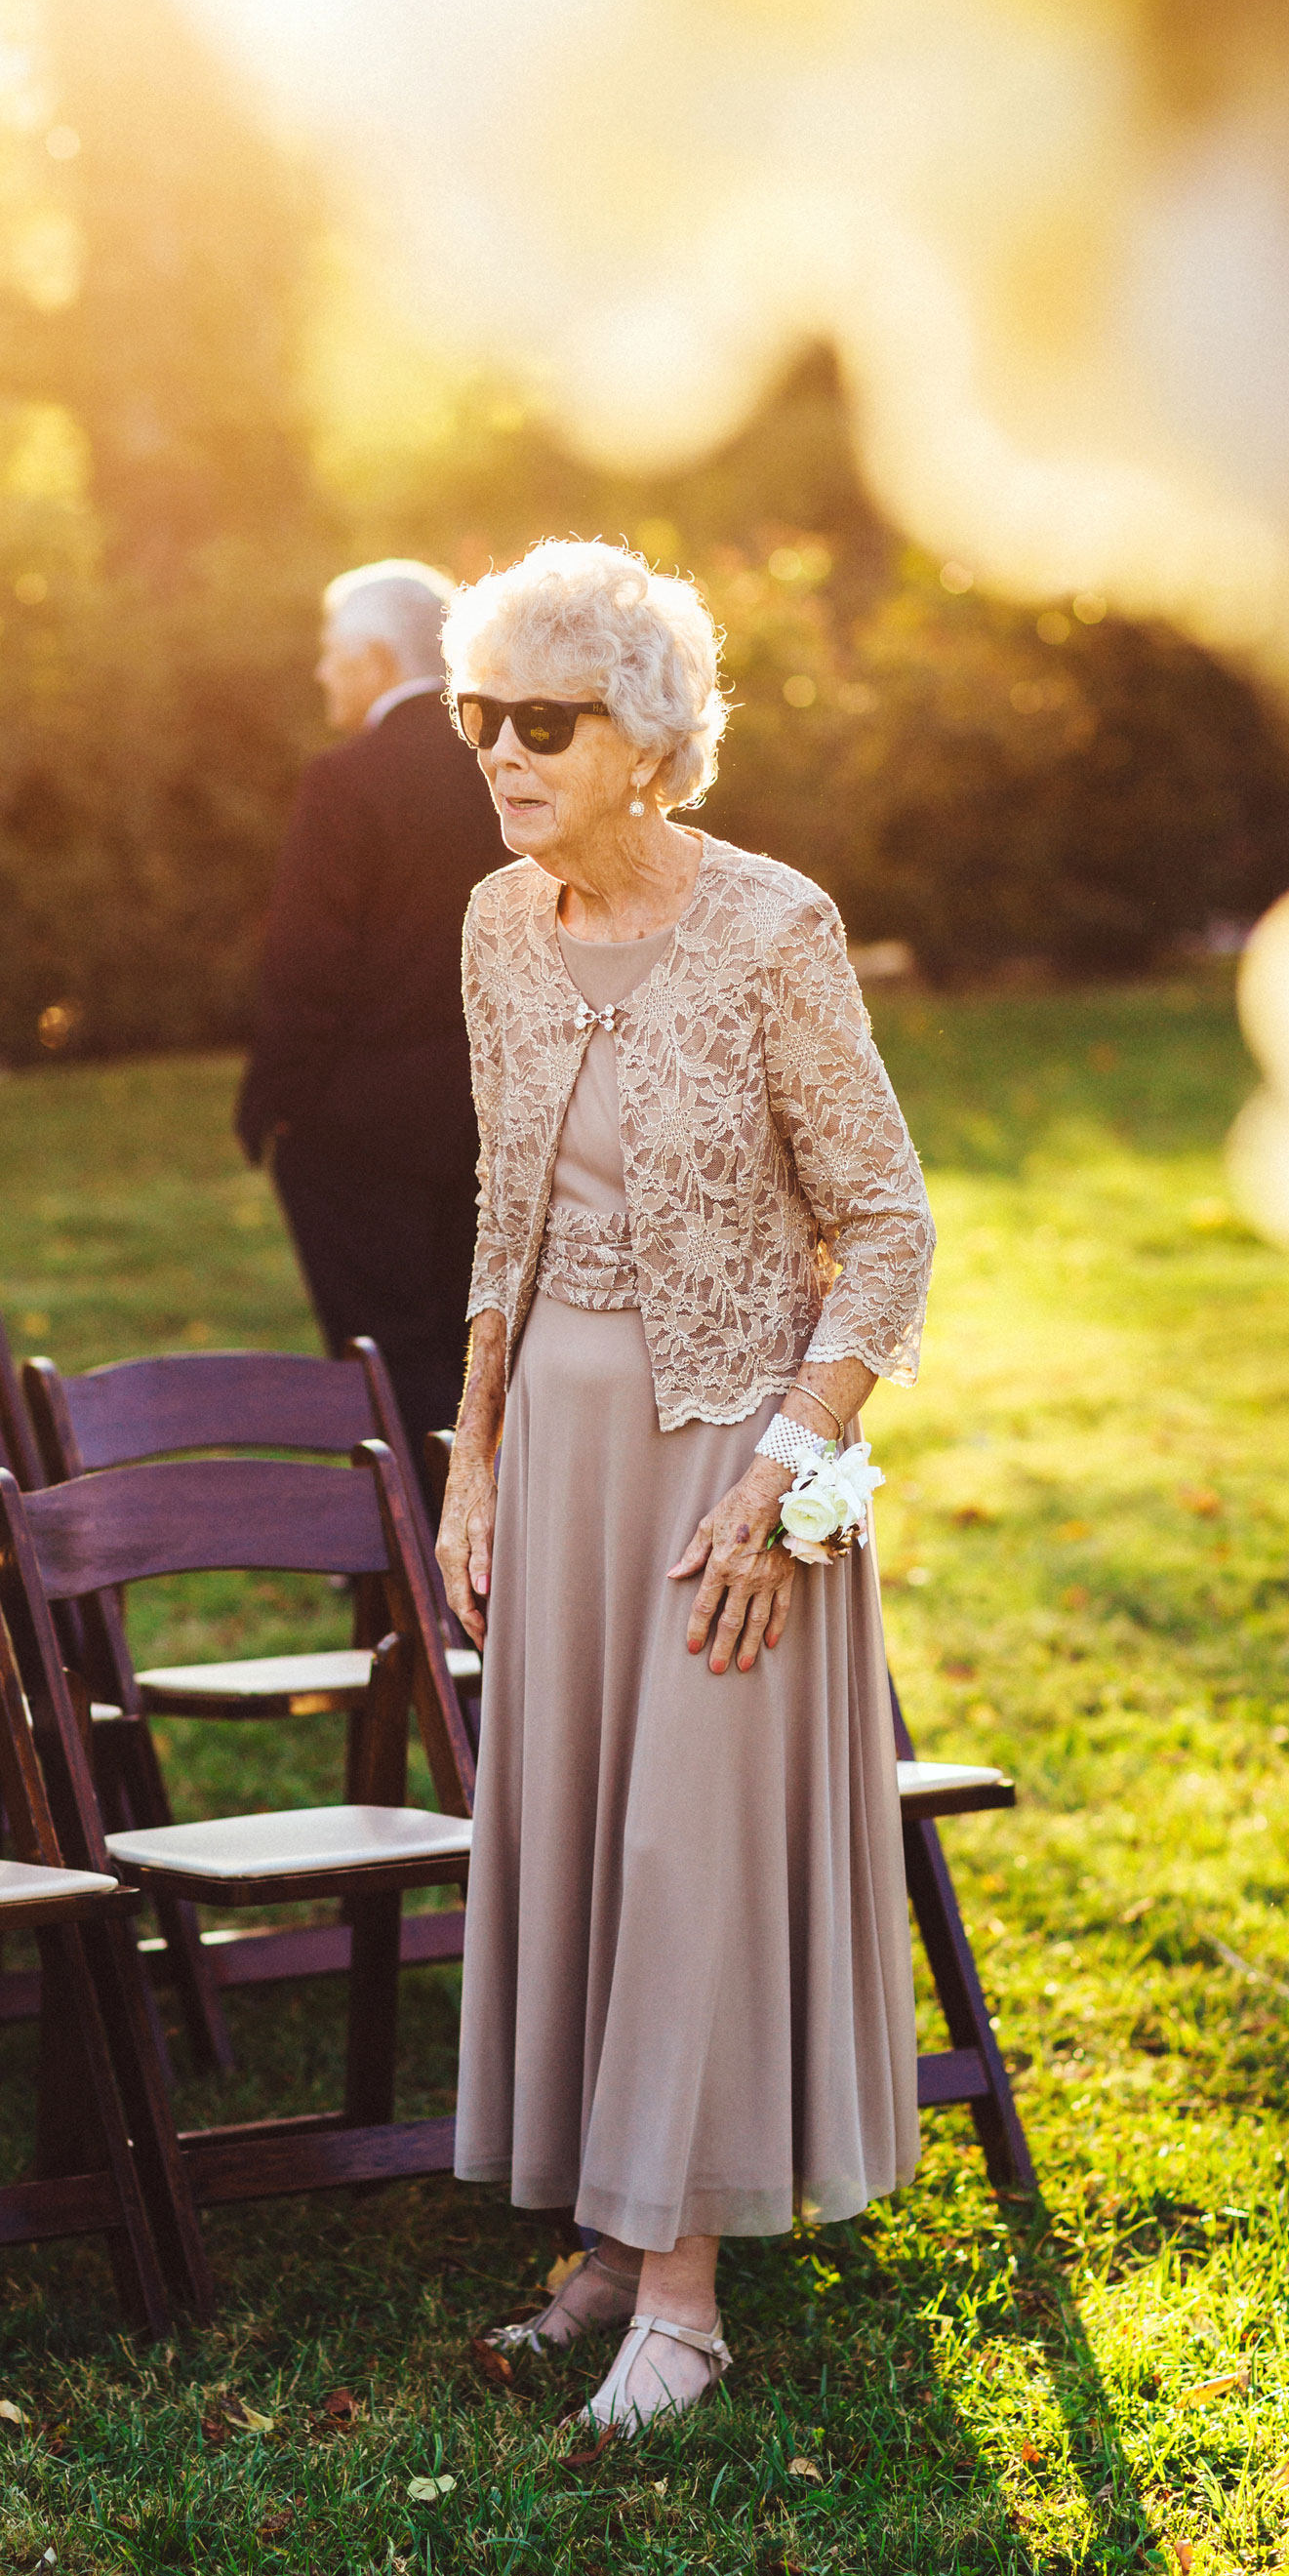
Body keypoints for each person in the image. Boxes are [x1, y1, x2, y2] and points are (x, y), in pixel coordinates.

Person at [435, 539, 937, 2435]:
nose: (502, 755)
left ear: (644, 737)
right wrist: (472, 1461)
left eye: (542, 722)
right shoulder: (496, 925)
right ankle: (602, 2245)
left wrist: (792, 1474)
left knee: (685, 1856)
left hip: (738, 1458)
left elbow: (886, 1233)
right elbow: (501, 1219)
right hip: (559, 1456)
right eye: (484, 719)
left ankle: (686, 2306)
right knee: (574, 1835)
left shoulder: (774, 930)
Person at [236, 559, 505, 1457]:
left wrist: (272, 1104)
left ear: (378, 657)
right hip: (501, 1119)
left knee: (386, 1365)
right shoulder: (510, 764)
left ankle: (404, 1564)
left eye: (330, 655)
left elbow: (310, 964)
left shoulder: (345, 782)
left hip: (363, 1135)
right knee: (483, 1352)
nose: (321, 675)